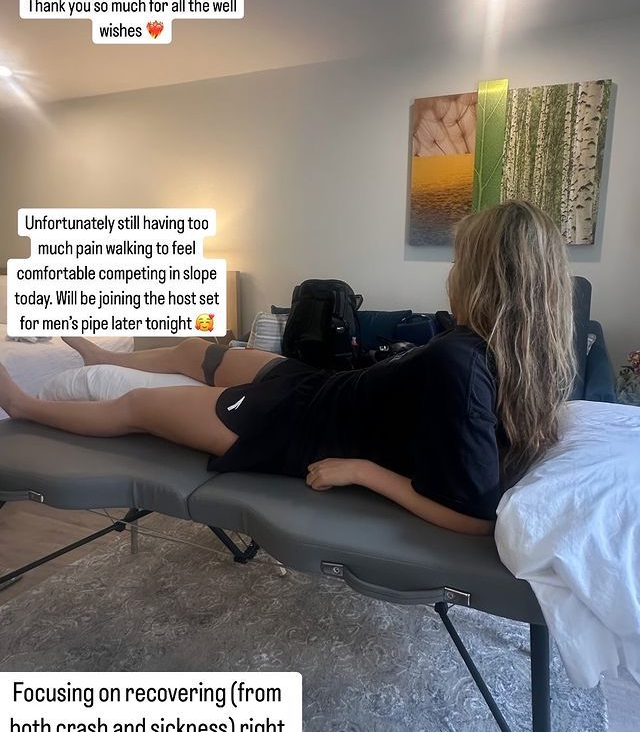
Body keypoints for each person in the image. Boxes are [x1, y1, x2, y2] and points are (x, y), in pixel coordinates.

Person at [0, 201, 576, 536]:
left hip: (290, 426)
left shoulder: (461, 362)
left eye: (459, 261)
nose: (451, 273)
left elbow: (473, 516)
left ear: (482, 276)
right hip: (315, 386)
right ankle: (105, 355)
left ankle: (22, 404)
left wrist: (362, 471)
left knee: (136, 406)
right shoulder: (530, 352)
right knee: (198, 351)